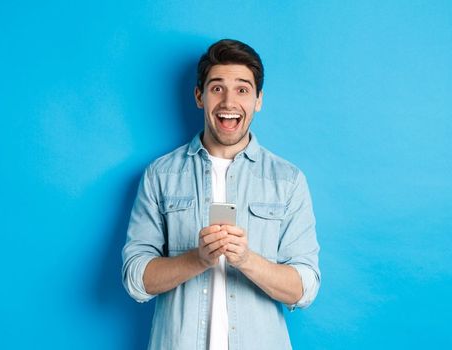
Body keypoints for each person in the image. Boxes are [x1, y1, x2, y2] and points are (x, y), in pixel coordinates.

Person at [121, 39, 321, 349]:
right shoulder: (159, 175)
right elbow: (135, 278)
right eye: (217, 88)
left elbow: (304, 288)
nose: (229, 102)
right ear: (200, 96)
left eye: (242, 89)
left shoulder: (288, 180)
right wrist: (198, 259)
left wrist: (246, 260)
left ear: (258, 100)